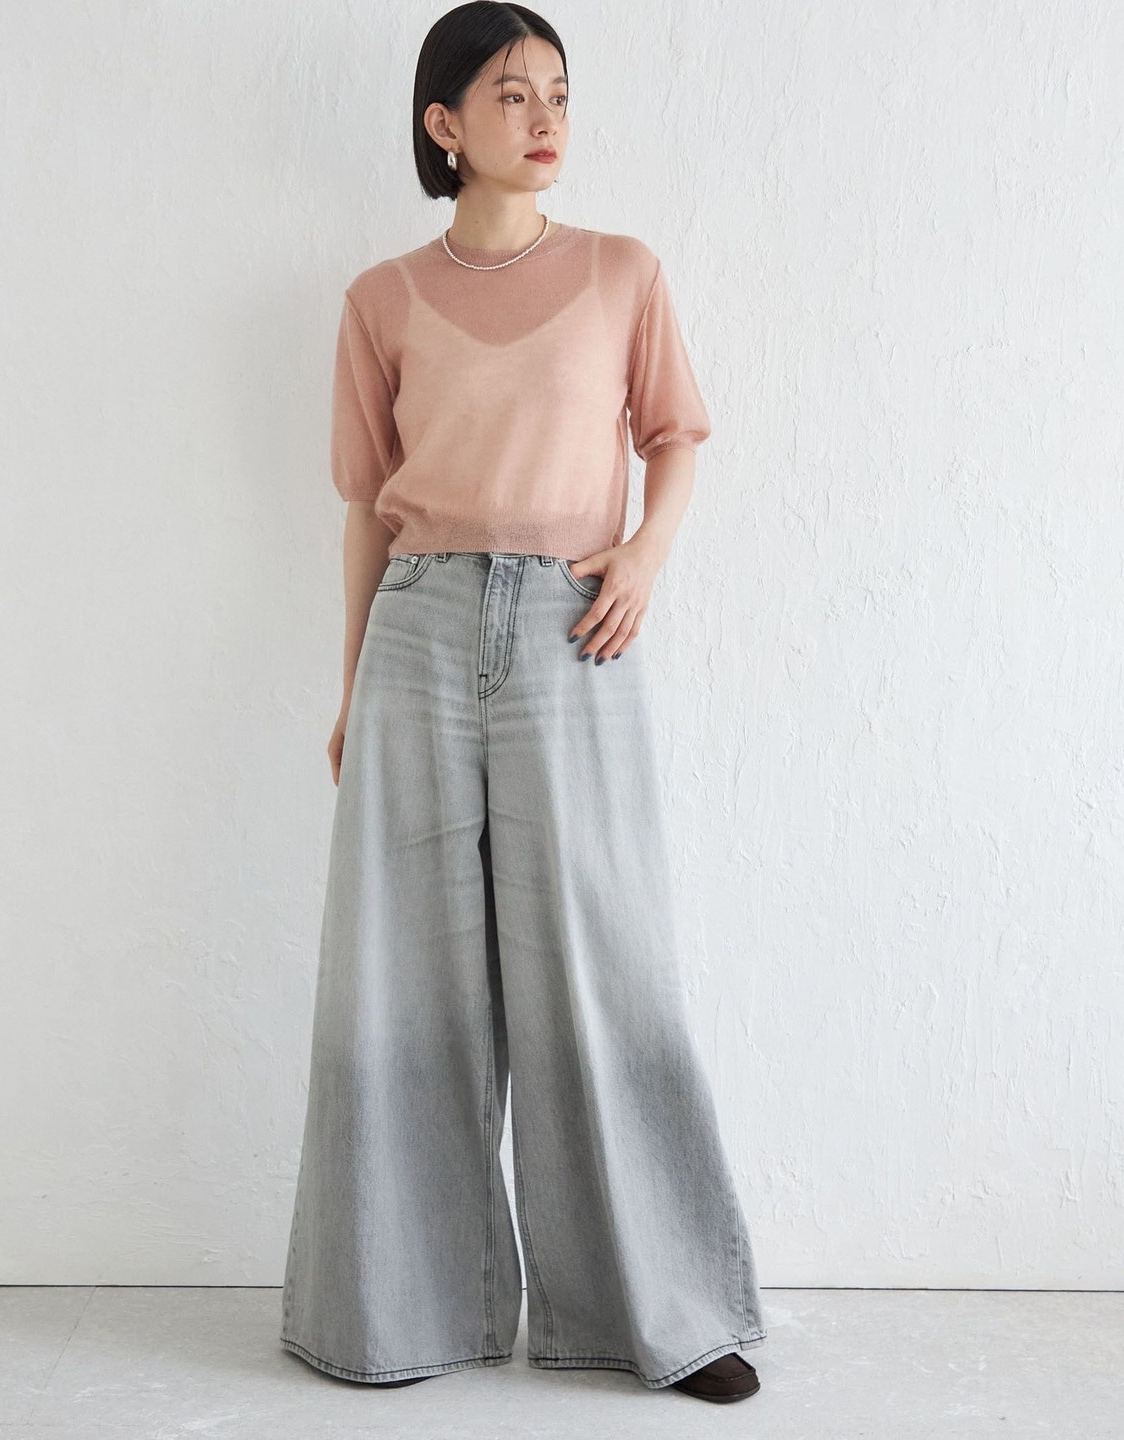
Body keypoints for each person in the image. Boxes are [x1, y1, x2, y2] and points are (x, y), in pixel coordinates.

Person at [280, 1, 766, 1405]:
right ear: (444, 125)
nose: (546, 117)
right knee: (400, 975)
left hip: (572, 629)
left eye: (558, 91)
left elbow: (674, 437)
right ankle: (393, 1314)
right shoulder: (380, 299)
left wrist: (646, 556)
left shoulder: (621, 272)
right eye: (511, 94)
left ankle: (661, 1314)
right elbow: (367, 508)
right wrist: (353, 686)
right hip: (419, 627)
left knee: (598, 964)